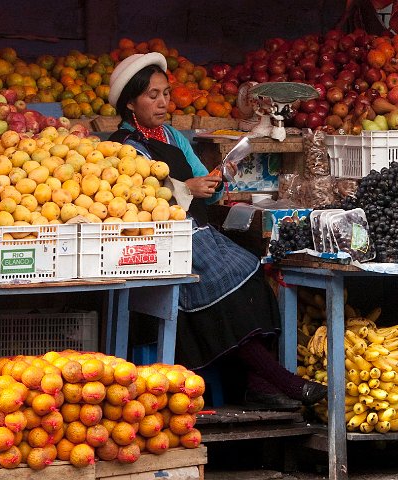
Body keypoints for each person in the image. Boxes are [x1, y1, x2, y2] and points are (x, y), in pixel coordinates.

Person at [108, 53, 326, 410]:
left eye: (165, 93)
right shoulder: (123, 145)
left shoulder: (172, 135)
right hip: (166, 239)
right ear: (129, 102)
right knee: (229, 278)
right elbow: (136, 195)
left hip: (201, 229)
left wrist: (216, 180)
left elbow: (201, 176)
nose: (163, 102)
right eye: (152, 95)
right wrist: (184, 189)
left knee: (256, 269)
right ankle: (283, 382)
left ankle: (261, 383)